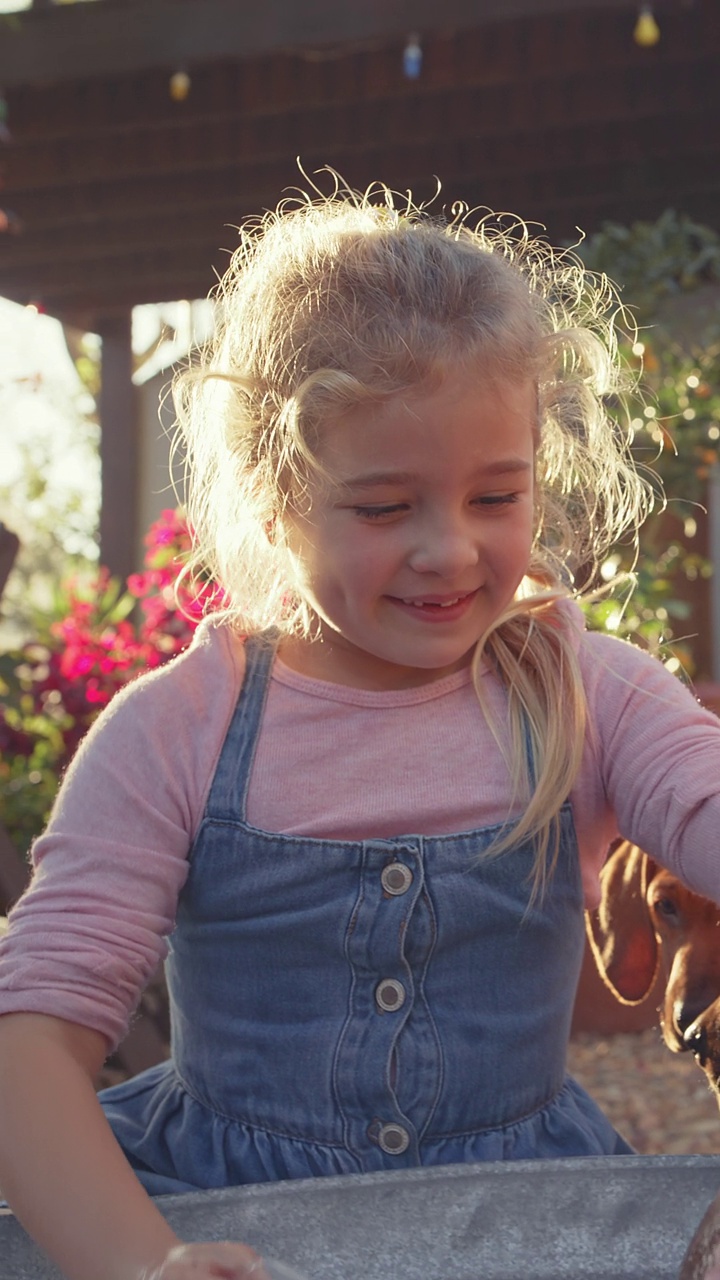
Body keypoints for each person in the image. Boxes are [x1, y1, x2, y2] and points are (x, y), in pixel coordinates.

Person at [1, 174, 719, 1280]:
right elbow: (29, 1043)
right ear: (278, 499)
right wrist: (149, 1262)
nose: (450, 548)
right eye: (386, 506)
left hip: (522, 1232)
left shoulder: (590, 690)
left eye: (497, 496)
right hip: (227, 1221)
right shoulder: (180, 729)